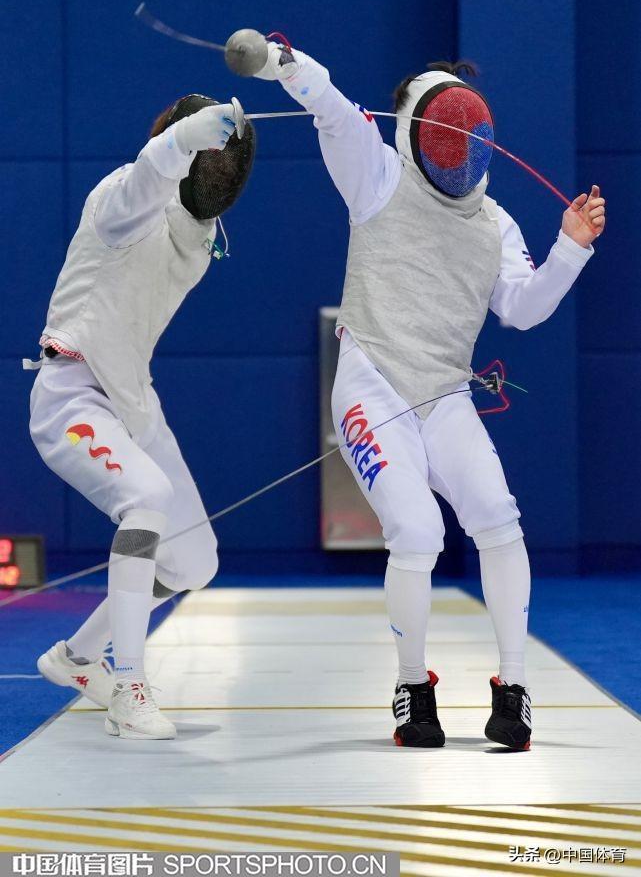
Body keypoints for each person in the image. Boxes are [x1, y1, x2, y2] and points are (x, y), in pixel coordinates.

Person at [254, 44, 605, 750]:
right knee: (416, 532)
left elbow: (523, 308)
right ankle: (412, 687)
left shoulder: (495, 223)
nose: (458, 145)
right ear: (415, 127)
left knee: (498, 519)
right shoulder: (378, 177)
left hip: (444, 393)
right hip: (371, 383)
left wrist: (569, 248)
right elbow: (332, 111)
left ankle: (513, 687)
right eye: (445, 129)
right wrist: (281, 62)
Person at [29, 95, 256, 740]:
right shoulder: (118, 201)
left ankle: (76, 658)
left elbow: (184, 203)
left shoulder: (197, 234)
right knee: (147, 498)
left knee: (194, 563)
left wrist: (206, 145)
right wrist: (183, 139)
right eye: (206, 156)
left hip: (133, 402)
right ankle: (130, 685)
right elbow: (148, 182)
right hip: (72, 396)